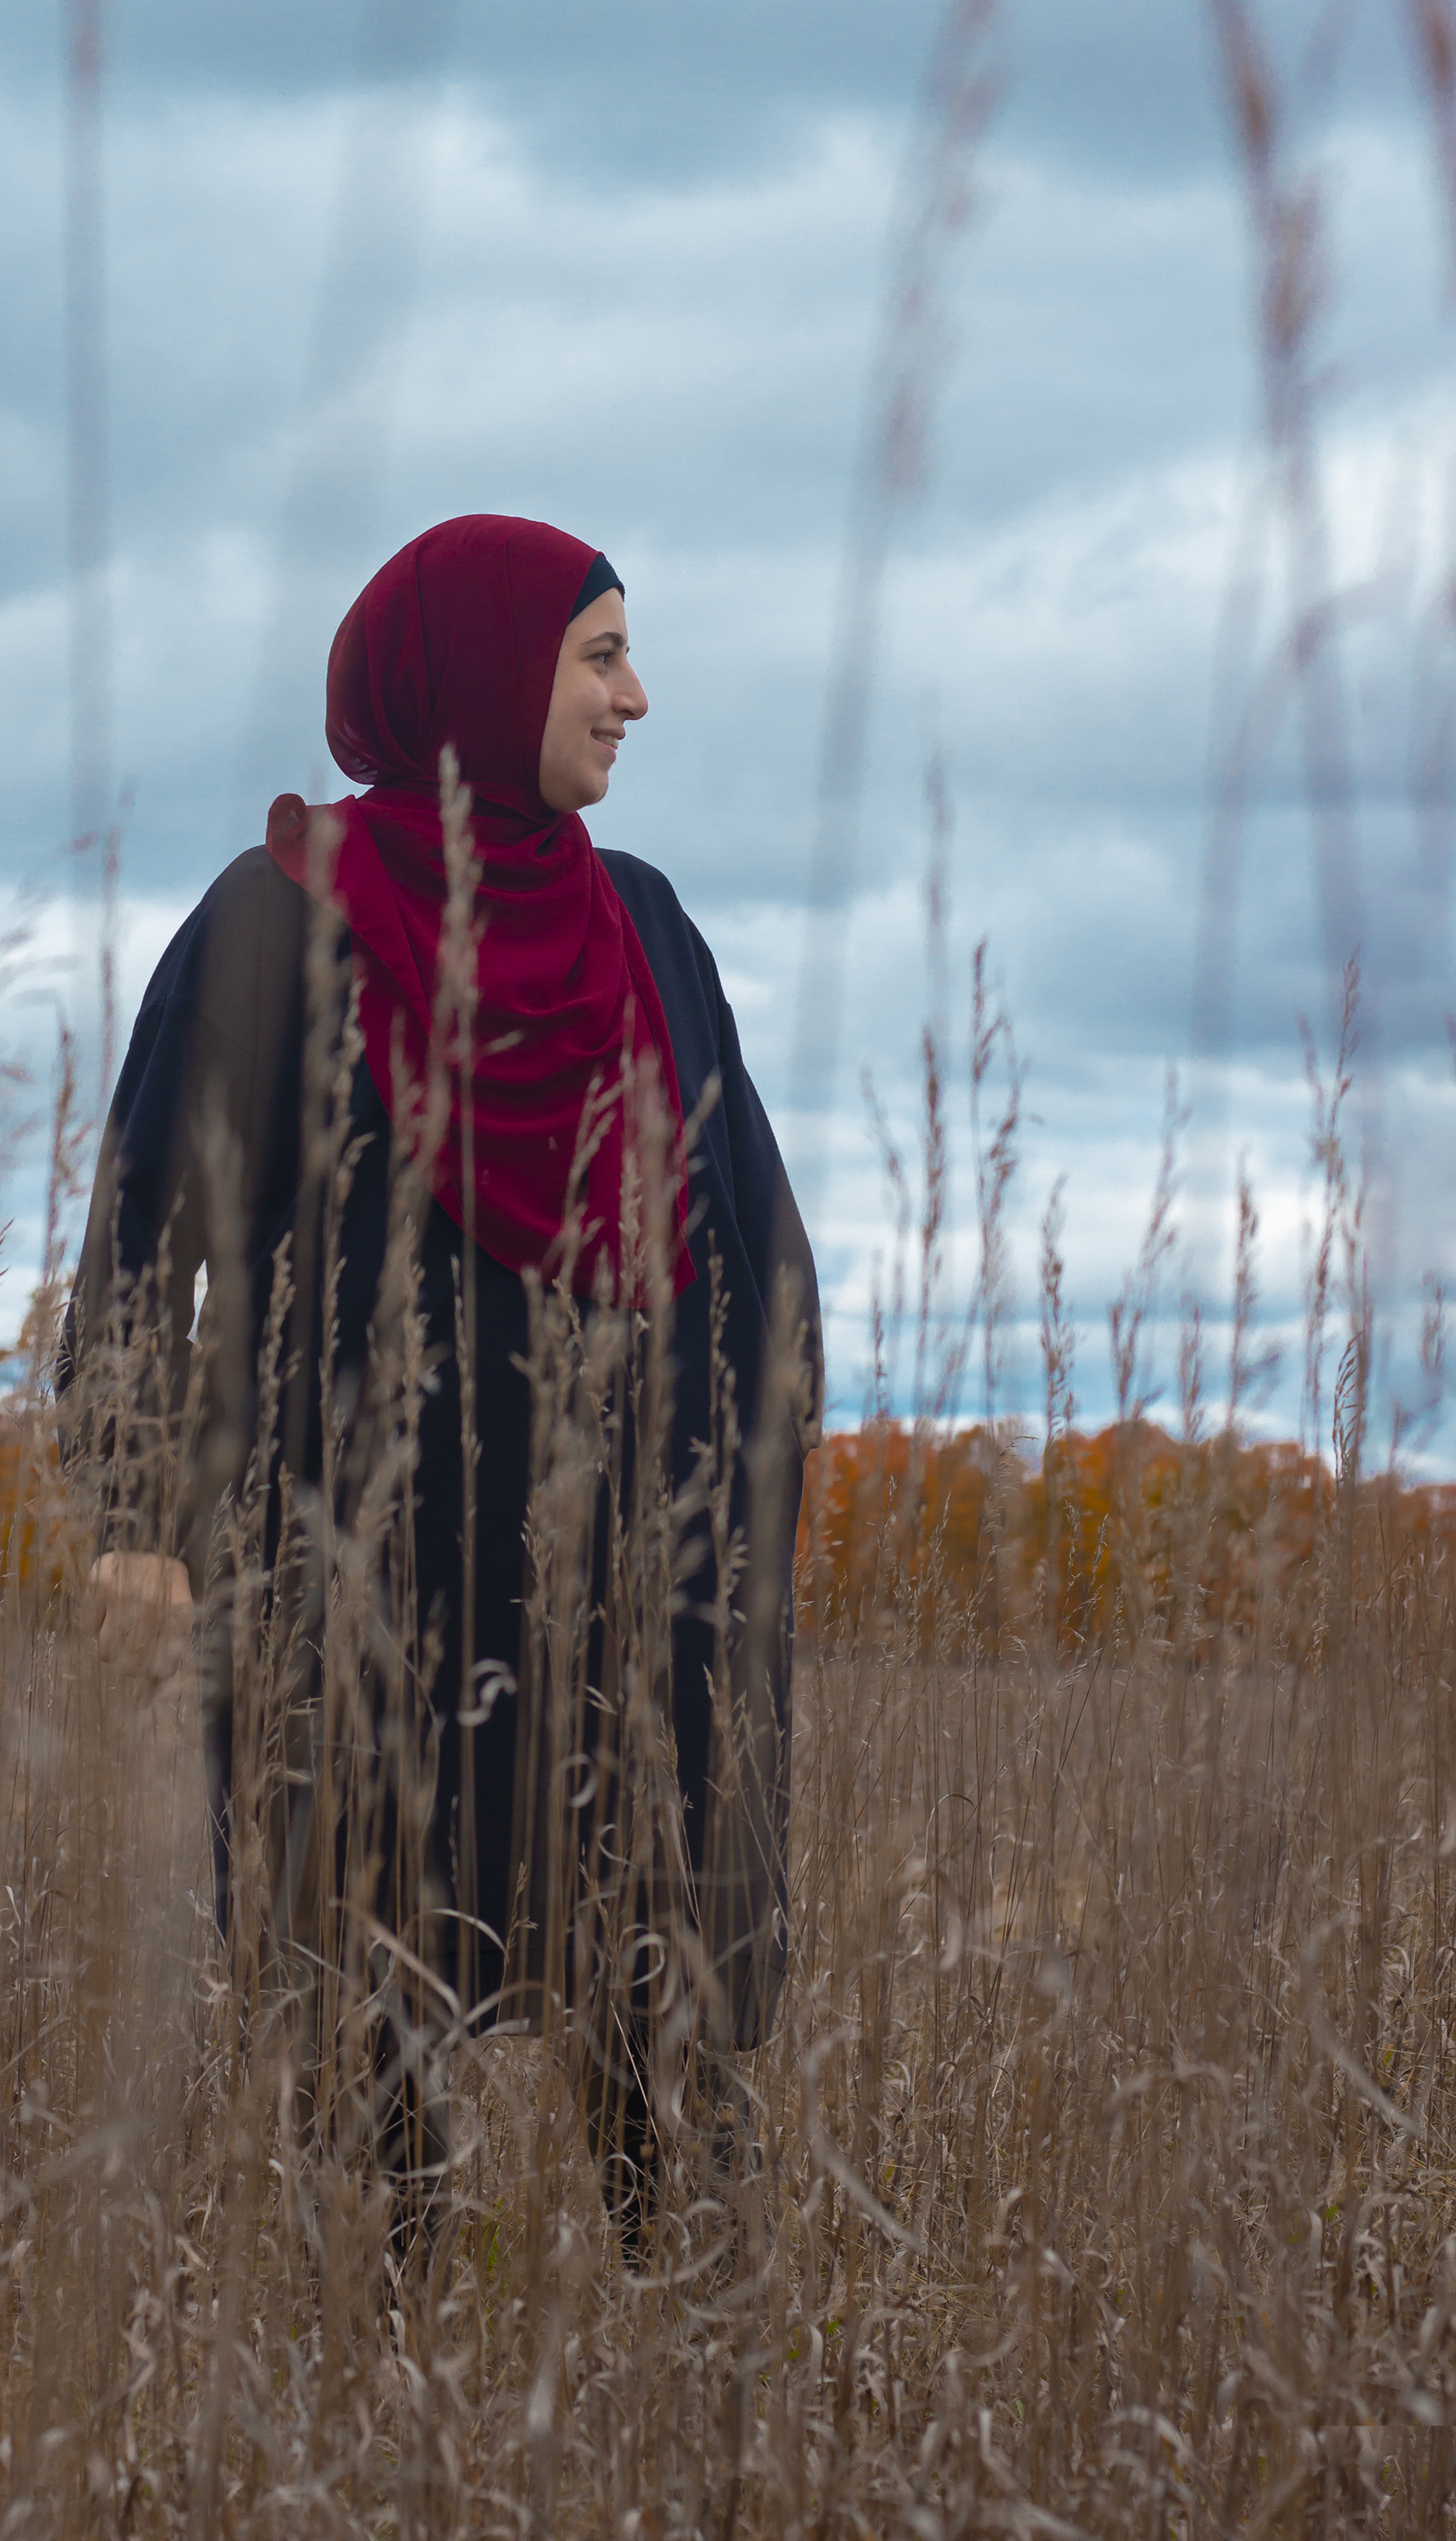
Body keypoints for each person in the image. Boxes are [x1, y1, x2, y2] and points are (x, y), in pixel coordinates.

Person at [58, 513, 822, 2240]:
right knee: (366, 2036)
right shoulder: (281, 918)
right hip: (359, 1596)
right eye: (601, 656)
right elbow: (137, 1239)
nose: (638, 695)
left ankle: (676, 2359)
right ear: (478, 675)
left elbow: (753, 1238)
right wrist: (136, 1518)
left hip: (637, 1595)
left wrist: (749, 1495)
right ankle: (376, 2363)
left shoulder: (646, 925)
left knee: (666, 2049)